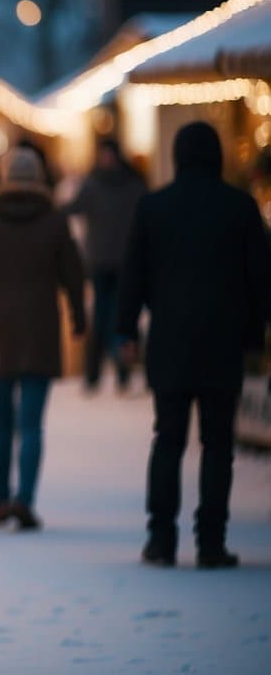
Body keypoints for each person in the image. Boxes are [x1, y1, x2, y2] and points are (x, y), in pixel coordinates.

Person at [118, 121, 270, 569]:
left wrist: (126, 330)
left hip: (169, 342)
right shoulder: (240, 208)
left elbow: (134, 277)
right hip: (224, 344)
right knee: (217, 444)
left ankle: (161, 538)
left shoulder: (153, 208)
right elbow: (260, 282)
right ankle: (210, 541)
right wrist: (254, 335)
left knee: (168, 438)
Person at [0, 146, 85, 531]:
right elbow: (73, 274)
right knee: (31, 424)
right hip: (40, 330)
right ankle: (25, 499)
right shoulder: (55, 221)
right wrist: (78, 316)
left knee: (1, 422)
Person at [63, 139, 148, 393]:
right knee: (105, 318)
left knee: (116, 318)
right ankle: (98, 374)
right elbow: (74, 208)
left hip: (117, 261)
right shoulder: (124, 185)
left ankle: (114, 373)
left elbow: (73, 208)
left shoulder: (107, 185)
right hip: (104, 261)